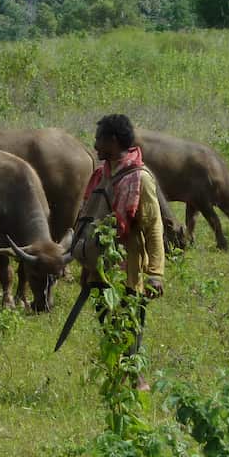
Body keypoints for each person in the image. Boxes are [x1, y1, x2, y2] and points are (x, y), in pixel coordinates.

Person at [75, 114, 165, 388]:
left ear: (113, 141)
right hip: (100, 266)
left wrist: (155, 274)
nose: (95, 144)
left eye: (100, 139)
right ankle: (118, 372)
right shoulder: (101, 174)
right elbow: (88, 215)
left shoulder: (140, 179)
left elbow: (153, 228)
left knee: (131, 323)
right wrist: (86, 264)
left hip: (129, 268)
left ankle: (137, 377)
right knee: (106, 318)